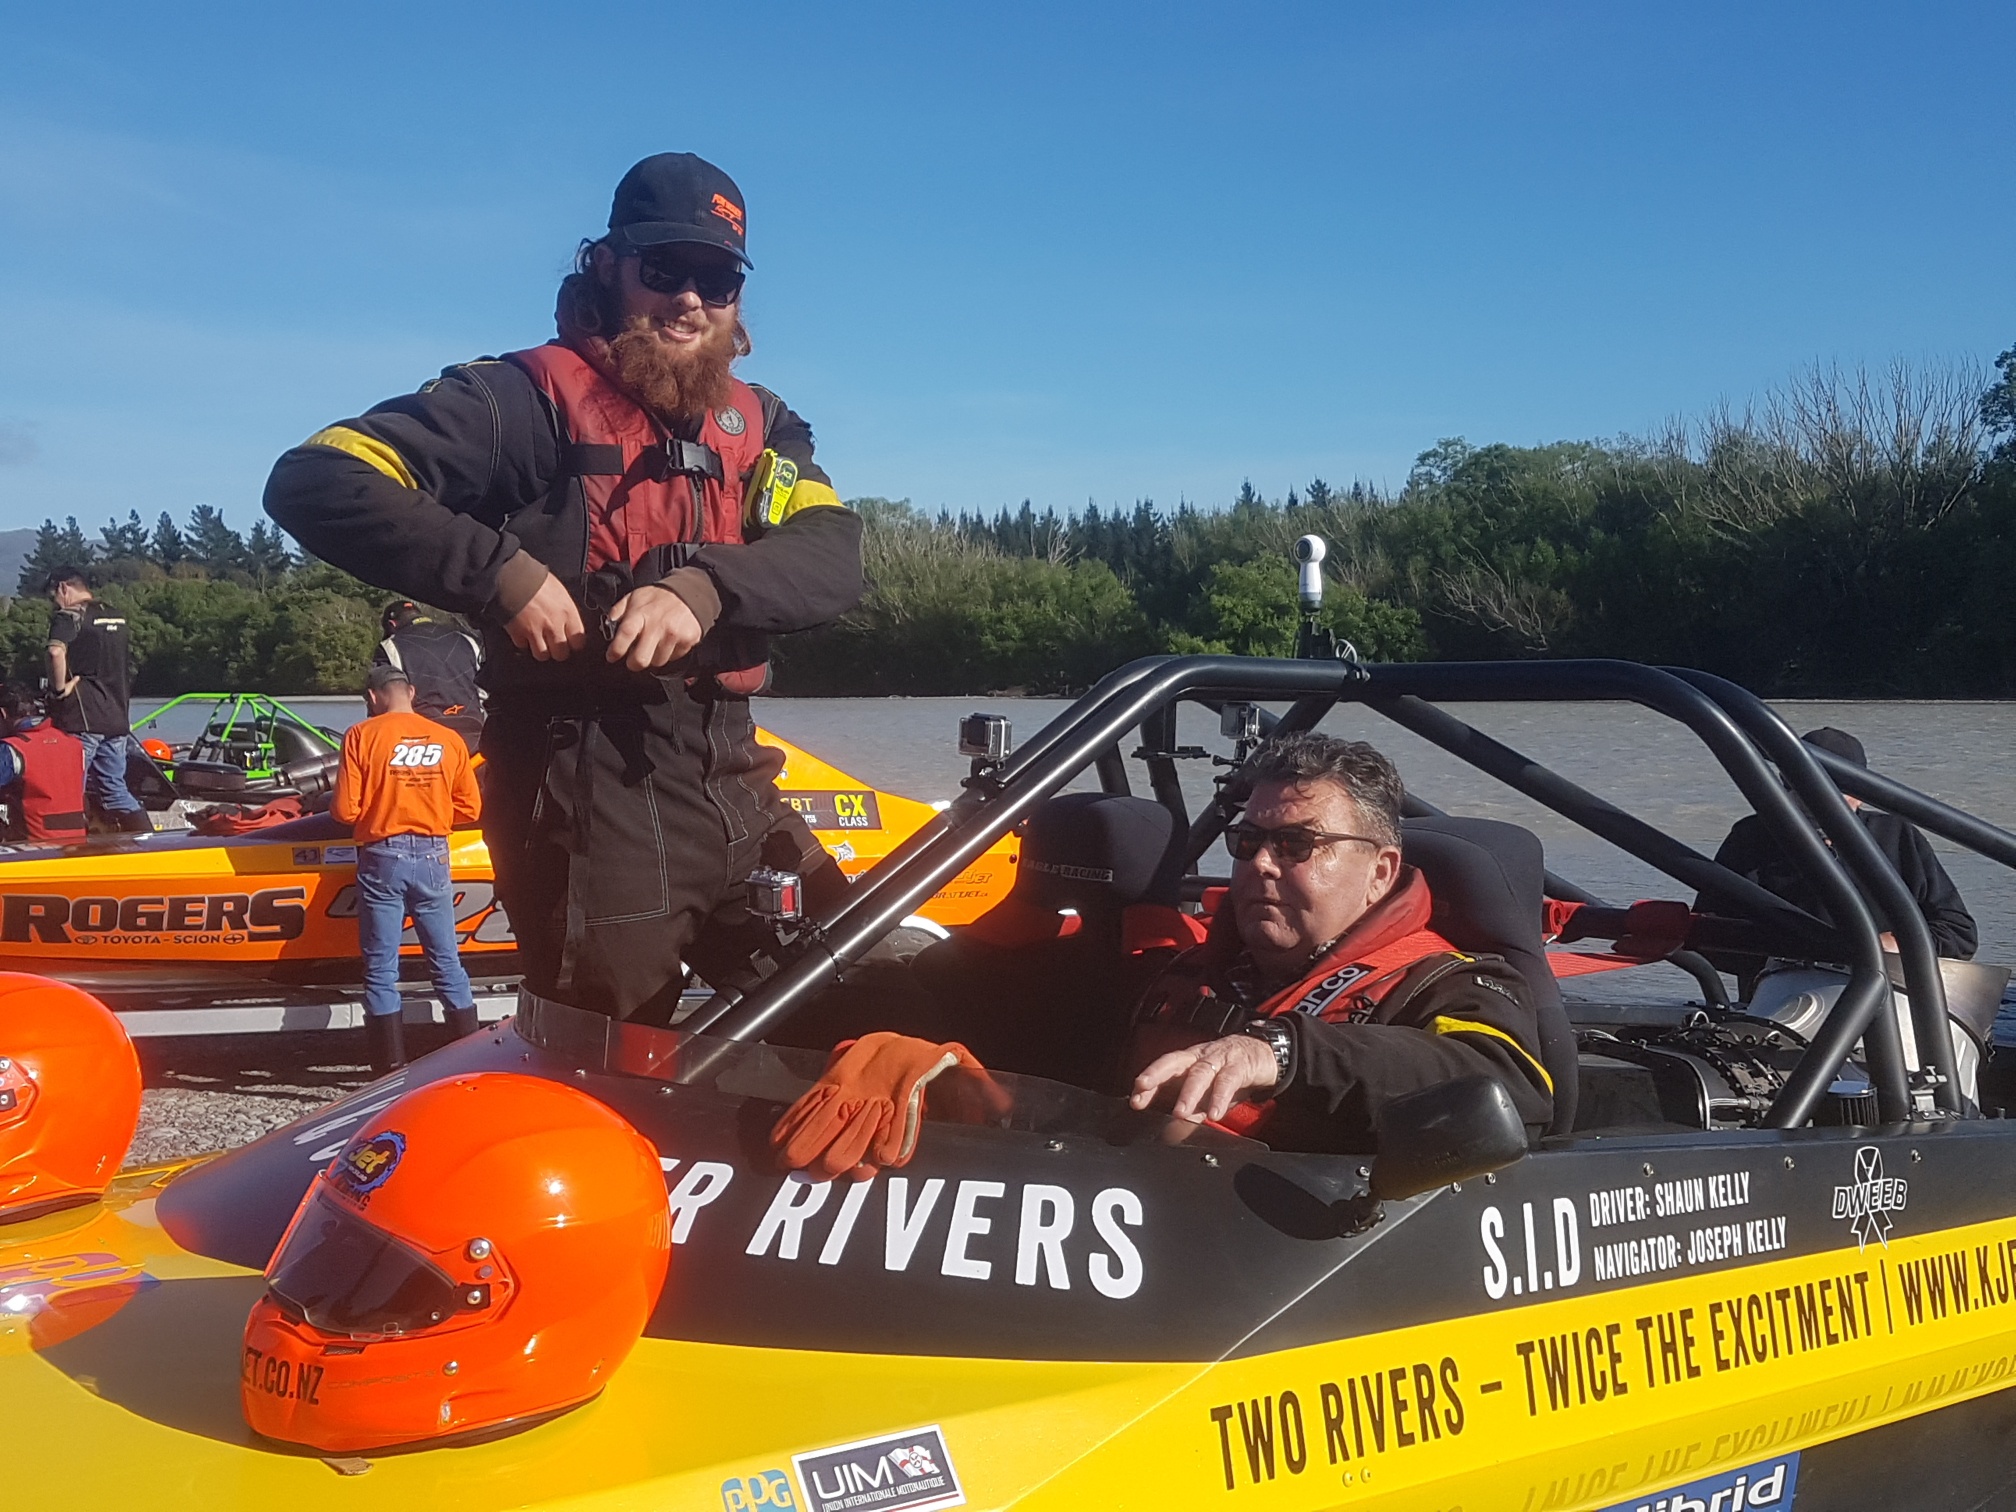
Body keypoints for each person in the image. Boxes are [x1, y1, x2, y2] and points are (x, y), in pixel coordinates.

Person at [266, 151, 863, 1026]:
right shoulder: (517, 401)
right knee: (608, 1060)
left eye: (717, 277)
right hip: (584, 789)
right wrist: (499, 575)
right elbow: (317, 479)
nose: (690, 298)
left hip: (735, 773)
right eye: (664, 270)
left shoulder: (762, 423)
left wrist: (706, 587)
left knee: (862, 1007)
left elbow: (831, 552)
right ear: (608, 266)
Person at [1124, 733, 1554, 1153]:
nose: (1261, 864)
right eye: (1248, 840)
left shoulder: (1448, 985)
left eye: (1296, 844)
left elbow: (1509, 1086)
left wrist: (1285, 1051)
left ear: (1380, 873)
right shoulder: (1180, 971)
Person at [1707, 725, 1977, 961]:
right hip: (1780, 996)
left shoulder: (1897, 836)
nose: (1819, 799)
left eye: (1836, 788)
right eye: (1804, 785)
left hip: (1886, 999)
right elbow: (1708, 935)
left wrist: (1895, 944)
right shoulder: (1751, 838)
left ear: (1862, 794)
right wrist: (1804, 952)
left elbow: (1959, 933)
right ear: (1783, 786)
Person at [332, 663, 484, 1073]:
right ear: (412, 692)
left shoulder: (362, 735)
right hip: (434, 856)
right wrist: (429, 808)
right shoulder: (450, 739)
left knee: (382, 968)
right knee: (447, 962)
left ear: (372, 697)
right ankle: (470, 1063)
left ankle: (389, 1070)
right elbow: (471, 807)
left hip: (383, 856)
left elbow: (345, 810)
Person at [42, 566, 147, 833]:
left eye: (53, 596)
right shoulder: (117, 615)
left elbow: (55, 651)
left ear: (64, 588)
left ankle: (67, 847)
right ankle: (148, 842)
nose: (54, 603)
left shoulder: (70, 615)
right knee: (114, 788)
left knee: (69, 789)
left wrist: (57, 690)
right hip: (117, 717)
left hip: (83, 717)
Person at [375, 600, 486, 750]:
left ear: (392, 624)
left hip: (424, 743)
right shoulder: (467, 639)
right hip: (474, 736)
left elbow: (381, 704)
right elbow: (485, 689)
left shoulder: (390, 647)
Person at [0, 683, 87, 843]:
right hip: (76, 844)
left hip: (31, 848)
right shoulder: (74, 744)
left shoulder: (11, 749)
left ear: (3, 714)